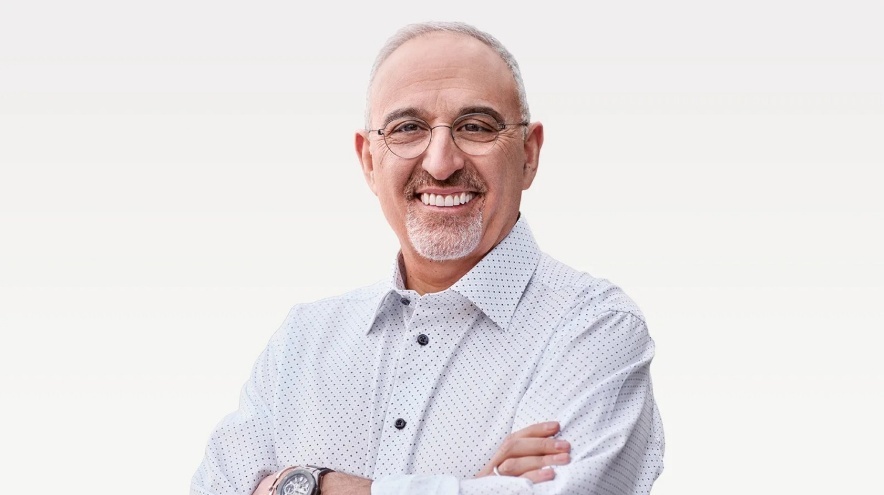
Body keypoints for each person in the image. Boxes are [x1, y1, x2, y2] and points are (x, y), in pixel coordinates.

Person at [192, 21, 664, 495]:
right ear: (369, 162)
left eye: (475, 127)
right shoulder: (302, 342)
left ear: (528, 154)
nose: (441, 163)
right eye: (408, 128)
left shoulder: (595, 329)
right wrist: (471, 488)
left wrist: (320, 487)